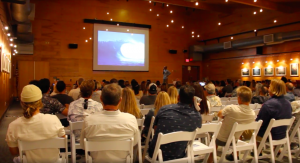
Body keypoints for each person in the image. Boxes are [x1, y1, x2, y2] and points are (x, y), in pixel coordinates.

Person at [80, 84, 139, 162]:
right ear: (120, 100)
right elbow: (135, 142)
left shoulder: (89, 120)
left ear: (101, 99)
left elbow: (83, 146)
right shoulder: (131, 119)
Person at [6, 85, 65, 163]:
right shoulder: (53, 119)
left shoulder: (13, 125)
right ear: (40, 101)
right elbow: (62, 141)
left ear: (22, 102)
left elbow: (14, 152)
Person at [148, 85, 202, 161]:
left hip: (157, 153)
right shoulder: (196, 116)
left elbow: (155, 128)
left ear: (178, 97)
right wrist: (195, 108)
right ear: (193, 99)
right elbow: (197, 129)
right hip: (180, 153)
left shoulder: (164, 109)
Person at [209, 86, 256, 162]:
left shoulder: (231, 108)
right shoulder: (252, 114)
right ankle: (235, 154)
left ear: (239, 98)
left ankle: (210, 159)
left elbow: (219, 114)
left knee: (214, 136)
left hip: (221, 139)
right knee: (239, 131)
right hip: (235, 139)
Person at [256, 79, 292, 152]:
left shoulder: (269, 104)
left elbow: (259, 122)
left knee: (255, 128)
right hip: (283, 134)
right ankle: (276, 149)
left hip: (270, 135)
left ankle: (257, 151)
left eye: (269, 86)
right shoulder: (288, 103)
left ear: (272, 89)